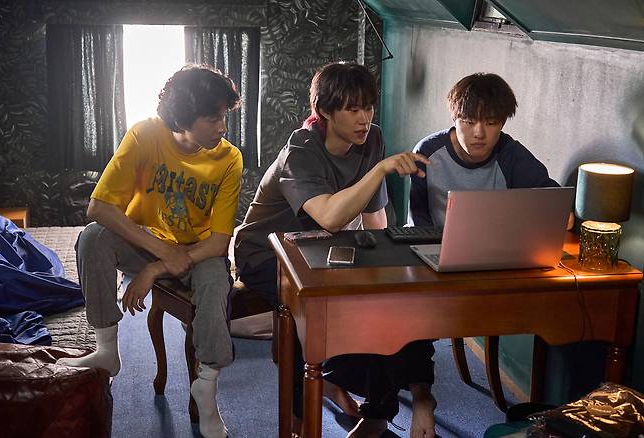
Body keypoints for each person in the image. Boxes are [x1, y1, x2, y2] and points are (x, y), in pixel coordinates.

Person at [234, 61, 436, 438]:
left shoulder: (372, 138)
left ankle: (378, 412)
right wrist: (380, 170)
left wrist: (387, 266)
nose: (364, 118)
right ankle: (299, 420)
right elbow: (329, 216)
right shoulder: (301, 149)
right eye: (352, 109)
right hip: (266, 253)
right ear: (324, 111)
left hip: (324, 250)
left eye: (368, 107)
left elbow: (374, 215)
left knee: (393, 298)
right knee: (305, 312)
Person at [56, 65, 243, 438]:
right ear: (184, 118)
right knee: (92, 237)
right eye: (213, 119)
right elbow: (99, 208)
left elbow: (220, 241)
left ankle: (207, 386)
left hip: (198, 251)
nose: (223, 127)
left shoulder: (229, 159)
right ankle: (106, 349)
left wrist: (155, 269)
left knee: (214, 280)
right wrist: (160, 253)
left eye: (224, 117)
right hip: (146, 241)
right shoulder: (144, 135)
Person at [409, 72, 568, 230]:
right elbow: (418, 221)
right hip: (433, 242)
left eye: (490, 123)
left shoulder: (510, 154)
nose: (479, 134)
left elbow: (555, 200)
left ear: (502, 124)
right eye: (469, 122)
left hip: (495, 243)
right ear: (454, 120)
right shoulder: (427, 152)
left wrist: (561, 214)